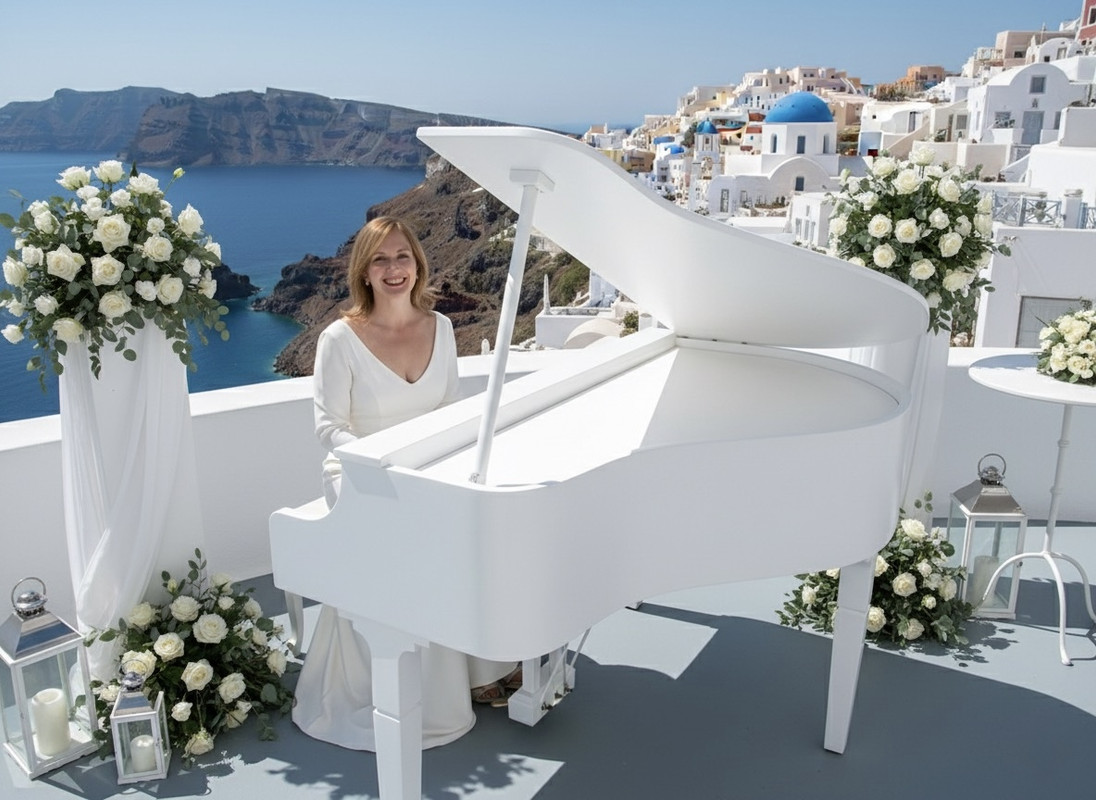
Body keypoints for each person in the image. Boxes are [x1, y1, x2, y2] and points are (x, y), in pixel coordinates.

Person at [292, 215, 518, 751]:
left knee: (477, 520)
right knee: (416, 536)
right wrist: (384, 464)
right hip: (358, 475)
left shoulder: (441, 328)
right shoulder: (338, 339)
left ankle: (477, 666)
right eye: (380, 259)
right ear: (363, 271)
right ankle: (423, 691)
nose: (394, 269)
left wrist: (438, 465)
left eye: (402, 257)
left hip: (426, 469)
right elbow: (329, 428)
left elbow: (450, 409)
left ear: (418, 264)